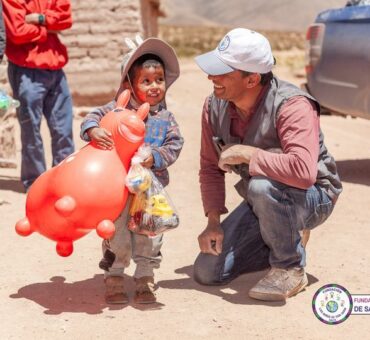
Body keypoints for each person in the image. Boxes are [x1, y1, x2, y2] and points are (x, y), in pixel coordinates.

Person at [193, 28, 342, 302]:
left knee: (262, 186)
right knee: (208, 271)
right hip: (263, 200)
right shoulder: (213, 106)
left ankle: (290, 268)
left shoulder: (293, 105)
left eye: (223, 72)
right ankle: (280, 235)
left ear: (251, 79)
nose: (211, 77)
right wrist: (213, 222)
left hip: (313, 196)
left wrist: (248, 153)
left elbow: (303, 172)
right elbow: (209, 167)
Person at [80, 37, 183, 304]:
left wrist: (156, 157)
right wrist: (94, 130)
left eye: (159, 79)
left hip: (151, 192)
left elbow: (175, 144)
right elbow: (92, 116)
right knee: (117, 231)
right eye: (146, 81)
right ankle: (114, 274)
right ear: (129, 85)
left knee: (150, 233)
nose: (154, 86)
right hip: (117, 190)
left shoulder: (165, 118)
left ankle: (145, 276)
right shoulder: (116, 109)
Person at [2, 0, 74, 191]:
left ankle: (65, 181)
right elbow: (17, 32)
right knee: (31, 131)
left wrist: (38, 19)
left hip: (56, 69)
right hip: (26, 71)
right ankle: (36, 184)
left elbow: (66, 20)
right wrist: (48, 28)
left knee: (64, 130)